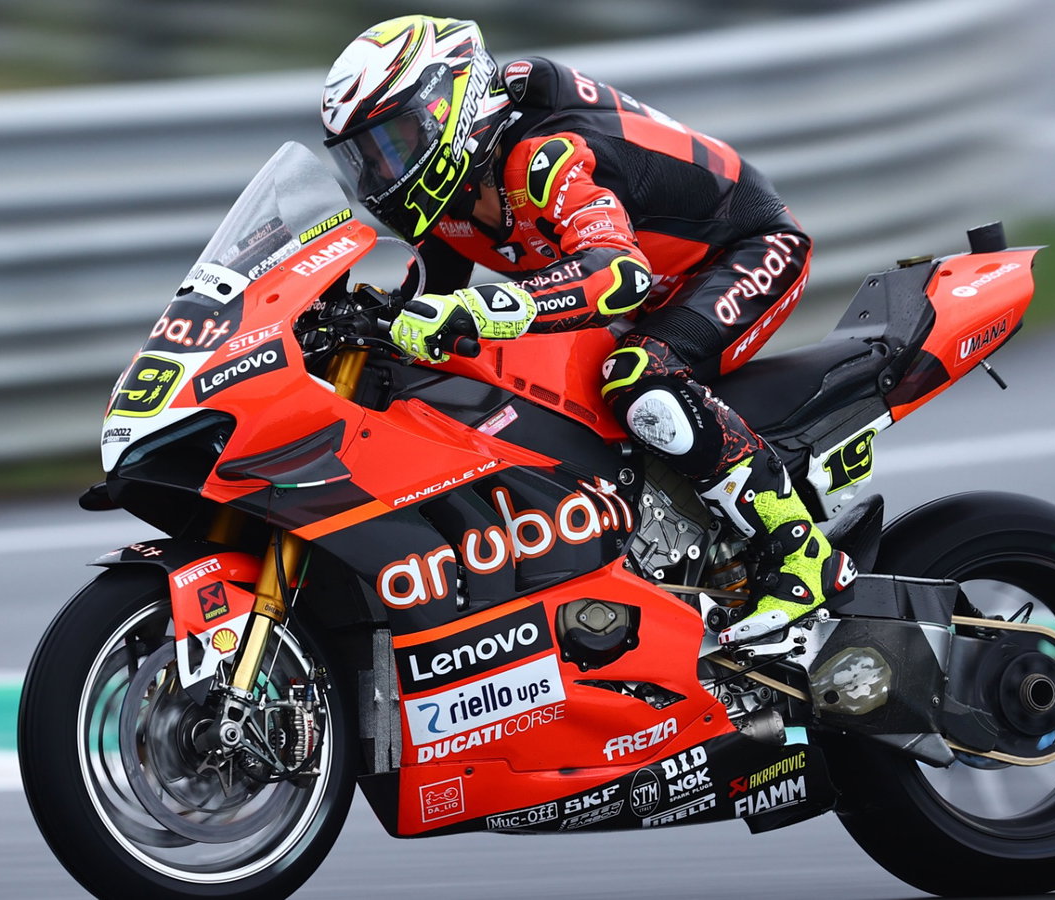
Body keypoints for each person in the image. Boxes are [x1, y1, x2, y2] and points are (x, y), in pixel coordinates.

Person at [320, 15, 855, 636]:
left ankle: (803, 556)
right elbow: (425, 309)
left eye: (396, 142)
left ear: (450, 106)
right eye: (367, 157)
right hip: (659, 282)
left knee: (639, 377)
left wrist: (487, 309)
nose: (383, 174)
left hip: (747, 249)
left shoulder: (541, 158)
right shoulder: (449, 207)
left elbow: (618, 273)